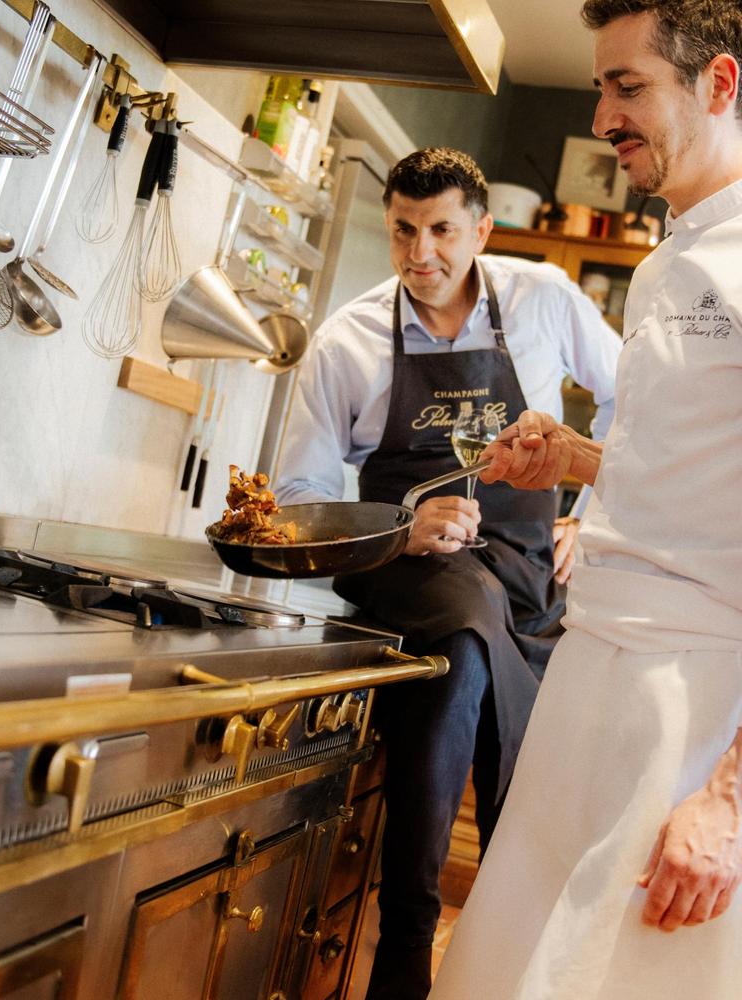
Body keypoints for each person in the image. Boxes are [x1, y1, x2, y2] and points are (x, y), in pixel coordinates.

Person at [430, 3, 742, 999]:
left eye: (627, 86)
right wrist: (573, 456)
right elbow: (690, 471)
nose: (601, 116)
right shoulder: (662, 265)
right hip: (587, 672)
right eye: (599, 86)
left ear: (720, 86)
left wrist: (726, 802)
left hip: (687, 708)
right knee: (505, 972)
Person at [275, 147, 621, 1000]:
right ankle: (408, 943)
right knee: (463, 633)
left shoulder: (543, 298)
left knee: (529, 740)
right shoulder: (348, 340)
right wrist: (401, 526)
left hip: (529, 572)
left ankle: (505, 962)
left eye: (440, 231)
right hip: (402, 569)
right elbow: (299, 497)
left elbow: (632, 395)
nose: (419, 252)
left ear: (481, 229)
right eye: (402, 230)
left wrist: (593, 511)